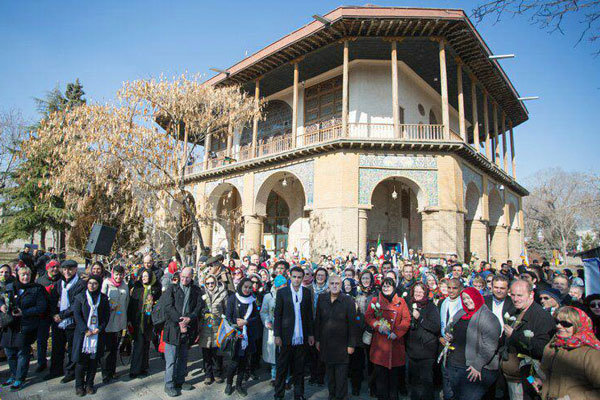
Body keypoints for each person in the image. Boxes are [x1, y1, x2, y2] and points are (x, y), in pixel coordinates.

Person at [443, 287, 501, 400]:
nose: (466, 301)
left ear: (476, 297)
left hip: (473, 367)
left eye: (469, 298)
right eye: (464, 299)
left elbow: (489, 345)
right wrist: (448, 334)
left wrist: (478, 365)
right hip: (455, 363)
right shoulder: (461, 313)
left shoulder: (488, 317)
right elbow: (450, 328)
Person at [501, 280, 555, 400]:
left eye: (520, 295)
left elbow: (542, 349)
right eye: (512, 295)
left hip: (528, 378)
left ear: (531, 295)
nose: (515, 299)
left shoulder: (541, 317)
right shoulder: (514, 311)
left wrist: (514, 336)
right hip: (511, 376)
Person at [535, 306, 600, 400]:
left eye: (565, 324)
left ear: (578, 325)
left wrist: (571, 398)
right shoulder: (552, 346)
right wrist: (539, 382)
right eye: (557, 322)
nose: (559, 326)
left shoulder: (591, 353)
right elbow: (544, 374)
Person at [0, 266, 46, 391]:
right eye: (23, 275)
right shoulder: (10, 287)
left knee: (22, 352)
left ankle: (20, 378)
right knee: (9, 352)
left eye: (27, 275)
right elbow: (1, 298)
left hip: (25, 325)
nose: (25, 277)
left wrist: (24, 312)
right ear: (17, 275)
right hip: (9, 325)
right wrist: (2, 306)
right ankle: (13, 374)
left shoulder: (37, 289)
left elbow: (41, 307)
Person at [365, 277, 410, 400]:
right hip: (380, 345)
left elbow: (406, 320)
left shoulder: (401, 301)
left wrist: (397, 332)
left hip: (395, 344)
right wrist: (378, 326)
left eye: (388, 286)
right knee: (381, 381)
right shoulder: (375, 300)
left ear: (394, 288)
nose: (386, 288)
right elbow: (369, 316)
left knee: (394, 381)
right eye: (384, 286)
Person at [162, 267, 204, 397]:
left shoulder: (196, 290)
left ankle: (180, 381)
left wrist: (190, 318)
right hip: (173, 328)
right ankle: (169, 384)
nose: (184, 280)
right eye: (182, 277)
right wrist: (180, 320)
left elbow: (198, 307)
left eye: (187, 277)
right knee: (171, 359)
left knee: (183, 357)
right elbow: (168, 307)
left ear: (192, 277)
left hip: (187, 328)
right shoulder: (172, 288)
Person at [274, 266, 315, 400]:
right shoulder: (282, 292)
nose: (296, 279)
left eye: (299, 277)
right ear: (290, 277)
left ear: (302, 278)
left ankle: (299, 394)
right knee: (282, 367)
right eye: (294, 277)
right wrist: (277, 335)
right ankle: (279, 394)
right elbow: (278, 315)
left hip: (301, 337)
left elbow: (309, 315)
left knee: (299, 368)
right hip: (286, 337)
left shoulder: (307, 292)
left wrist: (310, 334)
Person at [315, 274, 357, 400]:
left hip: (342, 345)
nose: (334, 286)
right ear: (328, 285)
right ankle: (332, 395)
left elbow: (352, 324)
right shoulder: (322, 298)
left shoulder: (348, 300)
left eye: (337, 283)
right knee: (330, 375)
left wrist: (351, 344)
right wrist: (317, 339)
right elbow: (318, 321)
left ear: (341, 285)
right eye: (332, 283)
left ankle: (341, 397)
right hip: (326, 344)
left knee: (341, 376)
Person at [46, 259, 87, 382]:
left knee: (71, 348)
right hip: (58, 321)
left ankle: (70, 372)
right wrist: (55, 315)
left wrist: (62, 315)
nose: (67, 271)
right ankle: (55, 370)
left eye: (70, 269)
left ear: (75, 269)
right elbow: (53, 300)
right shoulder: (60, 283)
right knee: (57, 346)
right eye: (65, 269)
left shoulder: (80, 284)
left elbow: (76, 304)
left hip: (72, 321)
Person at [71, 274, 110, 396]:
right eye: (89, 283)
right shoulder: (80, 297)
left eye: (95, 283)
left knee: (93, 362)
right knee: (81, 362)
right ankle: (79, 385)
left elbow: (106, 316)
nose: (92, 286)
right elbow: (77, 314)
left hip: (97, 334)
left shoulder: (103, 298)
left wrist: (99, 328)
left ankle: (89, 384)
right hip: (83, 334)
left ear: (99, 285)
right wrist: (85, 330)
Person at [224, 277, 260, 396]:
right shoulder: (233, 298)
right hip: (235, 335)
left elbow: (256, 317)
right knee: (234, 362)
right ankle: (229, 384)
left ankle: (239, 385)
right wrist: (237, 322)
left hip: (247, 336)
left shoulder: (252, 300)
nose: (247, 289)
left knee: (244, 362)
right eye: (245, 287)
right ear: (240, 286)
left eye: (250, 287)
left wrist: (246, 322)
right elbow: (228, 317)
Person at [406, 282, 440, 400]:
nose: (418, 294)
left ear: (425, 293)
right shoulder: (410, 304)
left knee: (426, 381)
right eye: (416, 292)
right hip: (412, 350)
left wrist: (419, 318)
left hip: (426, 350)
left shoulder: (431, 307)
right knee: (414, 381)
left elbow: (435, 327)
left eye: (421, 292)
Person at [128, 268, 161, 379]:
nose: (144, 278)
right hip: (138, 321)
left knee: (146, 345)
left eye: (146, 276)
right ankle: (134, 369)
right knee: (138, 345)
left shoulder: (156, 289)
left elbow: (159, 305)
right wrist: (129, 320)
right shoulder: (137, 288)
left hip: (149, 322)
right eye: (143, 276)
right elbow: (132, 305)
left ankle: (143, 368)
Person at [100, 265, 129, 383]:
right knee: (107, 350)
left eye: (121, 274)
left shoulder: (125, 286)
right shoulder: (106, 283)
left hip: (119, 321)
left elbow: (127, 302)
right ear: (113, 274)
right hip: (108, 322)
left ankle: (112, 371)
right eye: (116, 274)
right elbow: (101, 301)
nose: (118, 277)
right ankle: (105, 374)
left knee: (114, 348)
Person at [198, 273, 227, 385]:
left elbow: (226, 308)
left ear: (216, 283)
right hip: (205, 327)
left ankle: (217, 373)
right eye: (208, 283)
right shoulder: (202, 293)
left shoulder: (222, 293)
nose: (210, 285)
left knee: (217, 353)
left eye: (212, 283)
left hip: (218, 326)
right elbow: (198, 308)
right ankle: (208, 374)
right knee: (206, 353)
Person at [352, 270, 378, 396]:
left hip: (371, 331)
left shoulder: (376, 293)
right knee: (357, 362)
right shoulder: (356, 293)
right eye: (363, 279)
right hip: (357, 331)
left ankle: (373, 388)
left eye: (368, 278)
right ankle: (356, 387)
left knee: (372, 361)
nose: (366, 281)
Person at [35, 259, 61, 372]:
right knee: (42, 339)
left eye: (56, 267)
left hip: (57, 314)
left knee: (57, 339)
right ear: (47, 268)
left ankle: (56, 362)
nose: (55, 269)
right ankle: (41, 362)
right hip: (43, 315)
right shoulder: (40, 281)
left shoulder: (62, 279)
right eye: (52, 267)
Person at [260, 274, 287, 385]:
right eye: (281, 286)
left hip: (285, 328)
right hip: (272, 329)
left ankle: (286, 378)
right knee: (274, 354)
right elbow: (263, 311)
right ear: (276, 286)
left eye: (285, 285)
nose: (284, 288)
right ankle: (274, 376)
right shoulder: (268, 297)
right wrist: (267, 322)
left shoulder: (288, 295)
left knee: (285, 353)